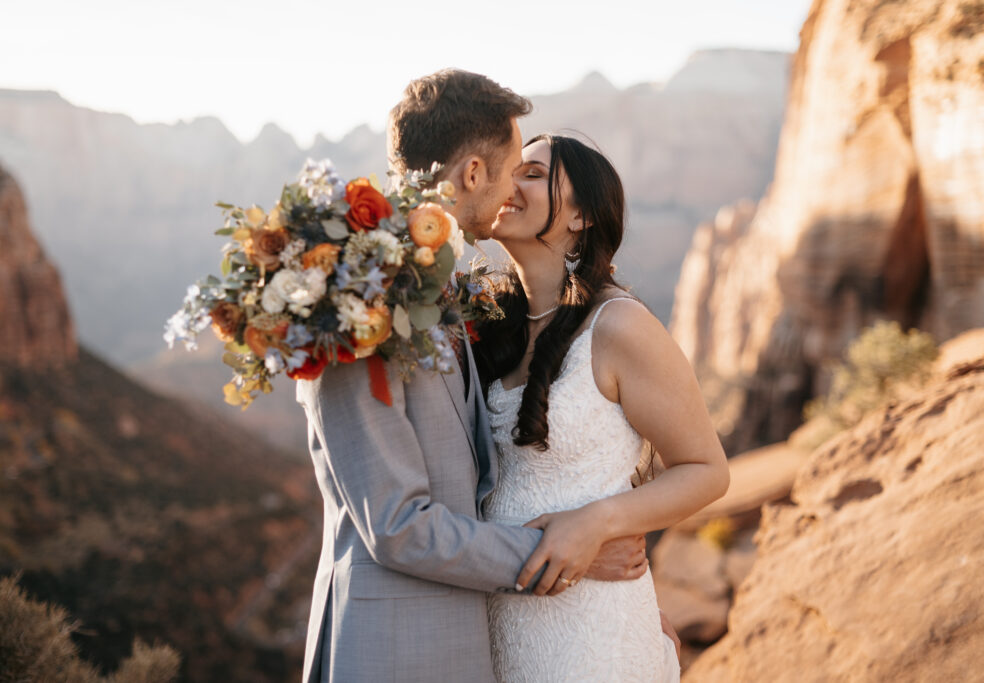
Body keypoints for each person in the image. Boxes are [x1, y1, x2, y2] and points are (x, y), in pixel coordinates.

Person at [295, 70, 653, 683]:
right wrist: (567, 556)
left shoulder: (442, 285)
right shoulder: (361, 298)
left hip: (478, 638)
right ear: (473, 175)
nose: (517, 187)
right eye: (516, 167)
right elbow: (397, 527)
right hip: (390, 648)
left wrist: (629, 612)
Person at [475, 134, 730, 682]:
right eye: (508, 170)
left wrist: (599, 523)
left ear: (583, 216)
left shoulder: (619, 325)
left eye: (534, 174)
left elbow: (706, 470)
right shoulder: (491, 325)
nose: (508, 183)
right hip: (500, 630)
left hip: (594, 638)